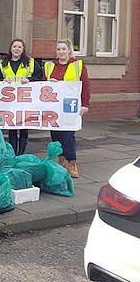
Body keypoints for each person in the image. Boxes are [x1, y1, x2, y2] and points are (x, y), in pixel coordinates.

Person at [44, 39, 90, 178]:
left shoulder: (78, 65)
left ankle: (71, 162)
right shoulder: (49, 65)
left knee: (68, 135)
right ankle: (61, 160)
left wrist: (85, 104)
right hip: (54, 107)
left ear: (69, 50)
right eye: (58, 49)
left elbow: (85, 85)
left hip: (70, 106)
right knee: (56, 135)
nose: (61, 52)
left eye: (64, 49)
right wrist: (48, 82)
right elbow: (41, 85)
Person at [0, 38, 43, 155]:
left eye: (19, 47)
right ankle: (13, 153)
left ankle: (22, 153)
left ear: (23, 49)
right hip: (9, 100)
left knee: (24, 126)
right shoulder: (1, 62)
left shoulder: (31, 62)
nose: (17, 49)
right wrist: (2, 80)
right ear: (10, 48)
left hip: (25, 100)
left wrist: (29, 80)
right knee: (12, 127)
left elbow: (39, 77)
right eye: (14, 46)